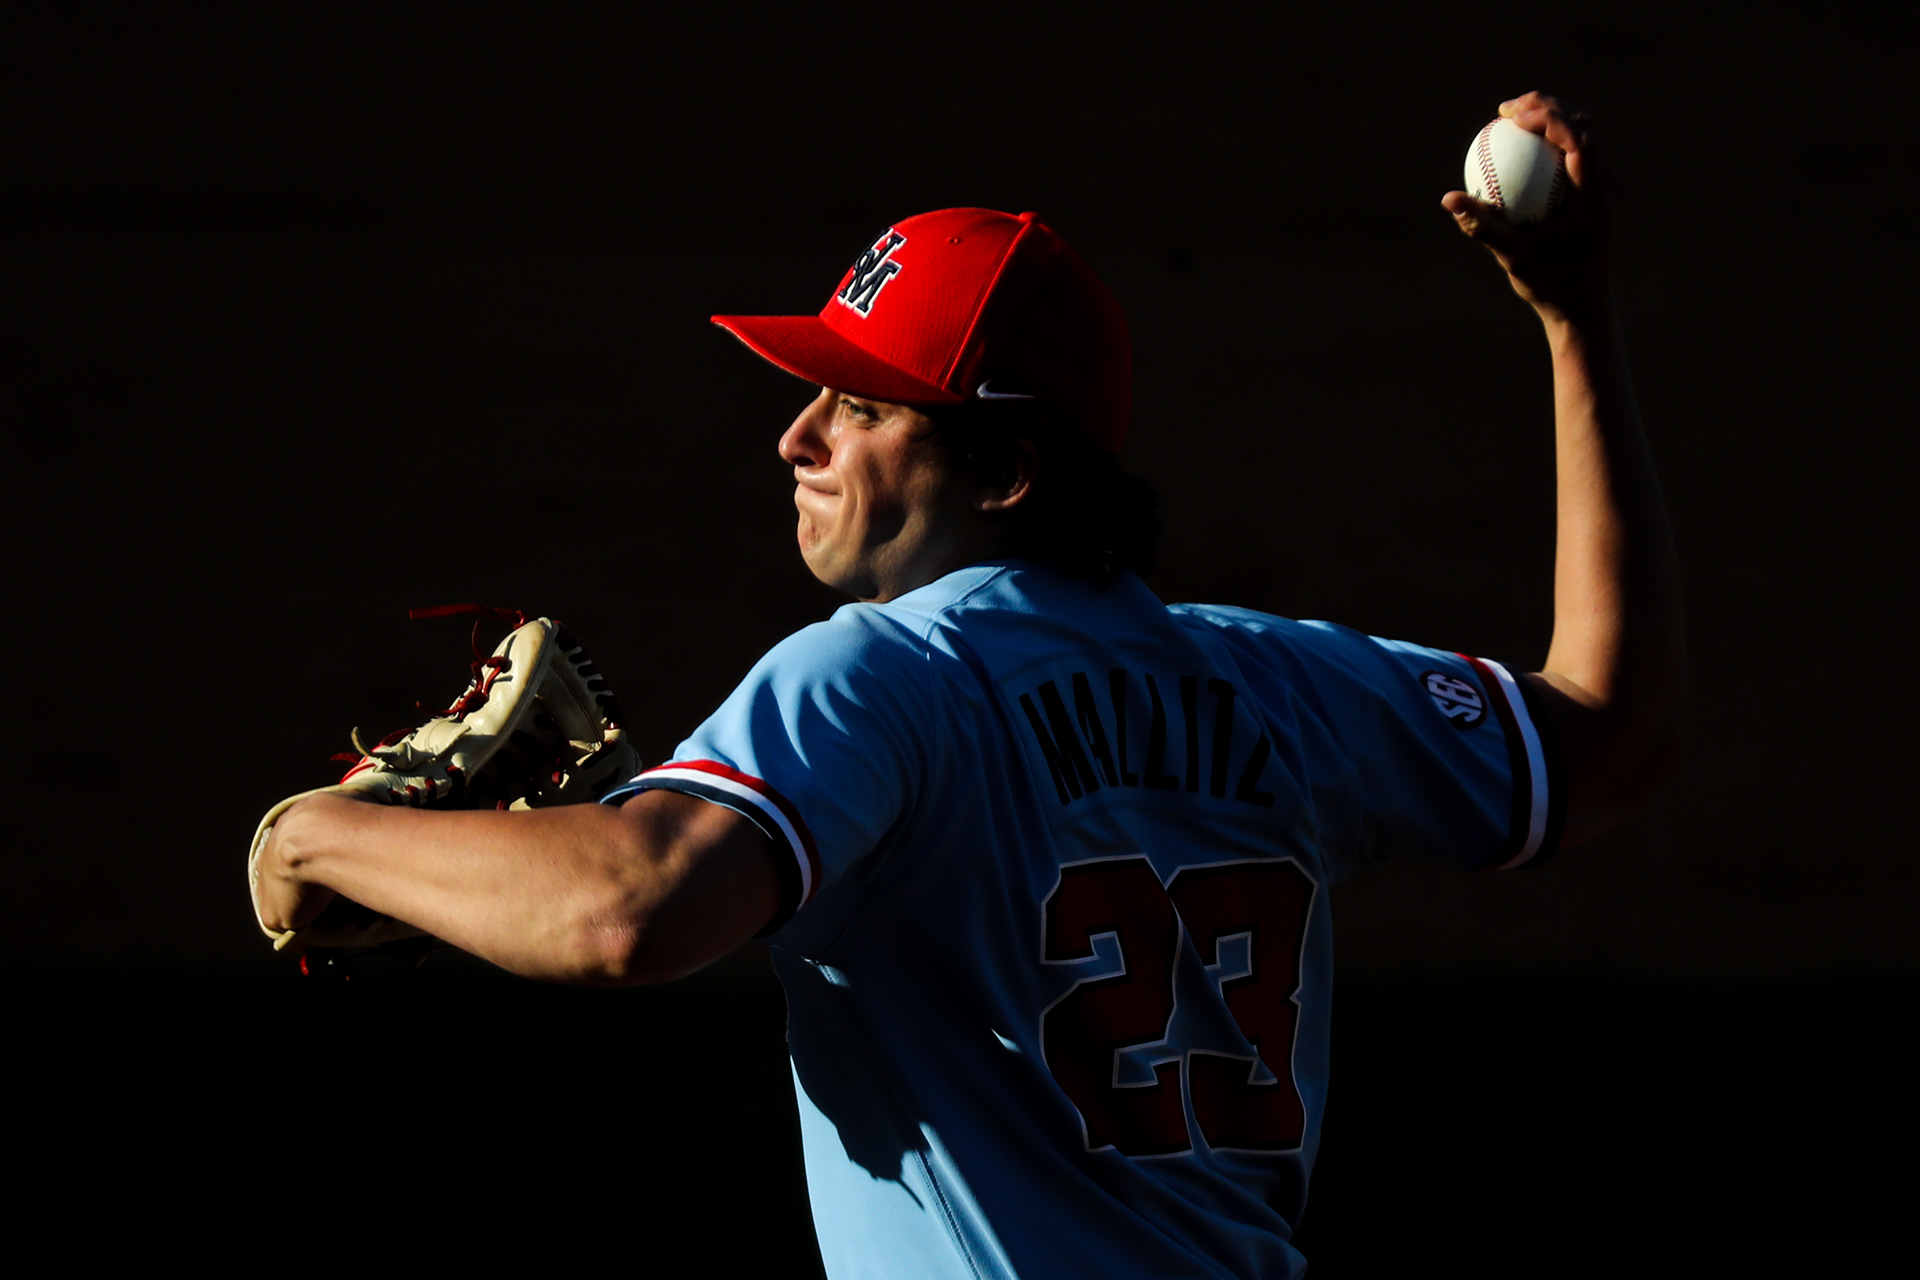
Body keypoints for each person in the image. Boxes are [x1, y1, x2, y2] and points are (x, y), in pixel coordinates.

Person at [253, 92, 1684, 1278]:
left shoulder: (884, 676)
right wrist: (1574, 317)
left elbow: (629, 907)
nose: (796, 437)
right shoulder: (1275, 684)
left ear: (1004, 473)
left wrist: (309, 834)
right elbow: (1605, 741)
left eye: (862, 406)